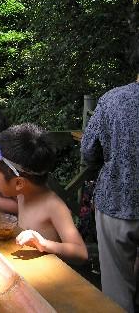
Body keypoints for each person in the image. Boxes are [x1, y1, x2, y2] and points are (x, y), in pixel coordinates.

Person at [81, 63, 139, 312]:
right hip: (117, 202)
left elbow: (88, 151)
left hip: (117, 201)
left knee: (117, 293)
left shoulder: (113, 99)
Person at [0, 123, 88, 264]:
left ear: (18, 183)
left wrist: (43, 243)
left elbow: (81, 252)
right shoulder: (23, 193)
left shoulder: (54, 206)